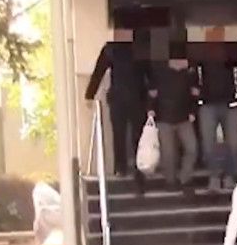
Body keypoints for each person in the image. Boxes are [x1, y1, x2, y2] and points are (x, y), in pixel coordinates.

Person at [85, 28, 148, 193]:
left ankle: (137, 167)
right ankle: (121, 167)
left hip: (136, 98)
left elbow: (149, 71)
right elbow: (99, 71)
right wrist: (90, 94)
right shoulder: (111, 48)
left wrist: (151, 94)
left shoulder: (139, 47)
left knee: (136, 135)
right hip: (120, 98)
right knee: (119, 133)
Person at [194, 41, 237, 192]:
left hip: (231, 105)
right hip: (208, 105)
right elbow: (194, 79)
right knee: (208, 144)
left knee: (233, 144)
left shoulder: (232, 57)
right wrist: (196, 98)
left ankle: (229, 176)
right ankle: (214, 177)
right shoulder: (200, 59)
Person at [147, 49, 199, 189]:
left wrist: (193, 111)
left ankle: (184, 178)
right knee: (168, 153)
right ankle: (170, 181)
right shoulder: (159, 72)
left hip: (184, 118)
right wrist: (151, 109)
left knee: (192, 148)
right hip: (164, 118)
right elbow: (152, 93)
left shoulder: (189, 73)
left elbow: (195, 93)